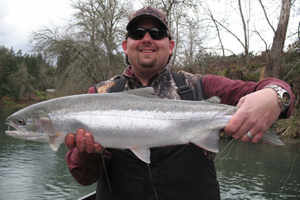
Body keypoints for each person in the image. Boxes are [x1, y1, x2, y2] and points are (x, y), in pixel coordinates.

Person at [65, 6, 295, 200]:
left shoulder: (201, 86)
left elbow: (273, 89)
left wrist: (275, 96)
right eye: (137, 33)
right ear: (126, 46)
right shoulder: (97, 96)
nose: (147, 38)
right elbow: (83, 177)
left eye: (156, 32)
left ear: (171, 45)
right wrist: (89, 154)